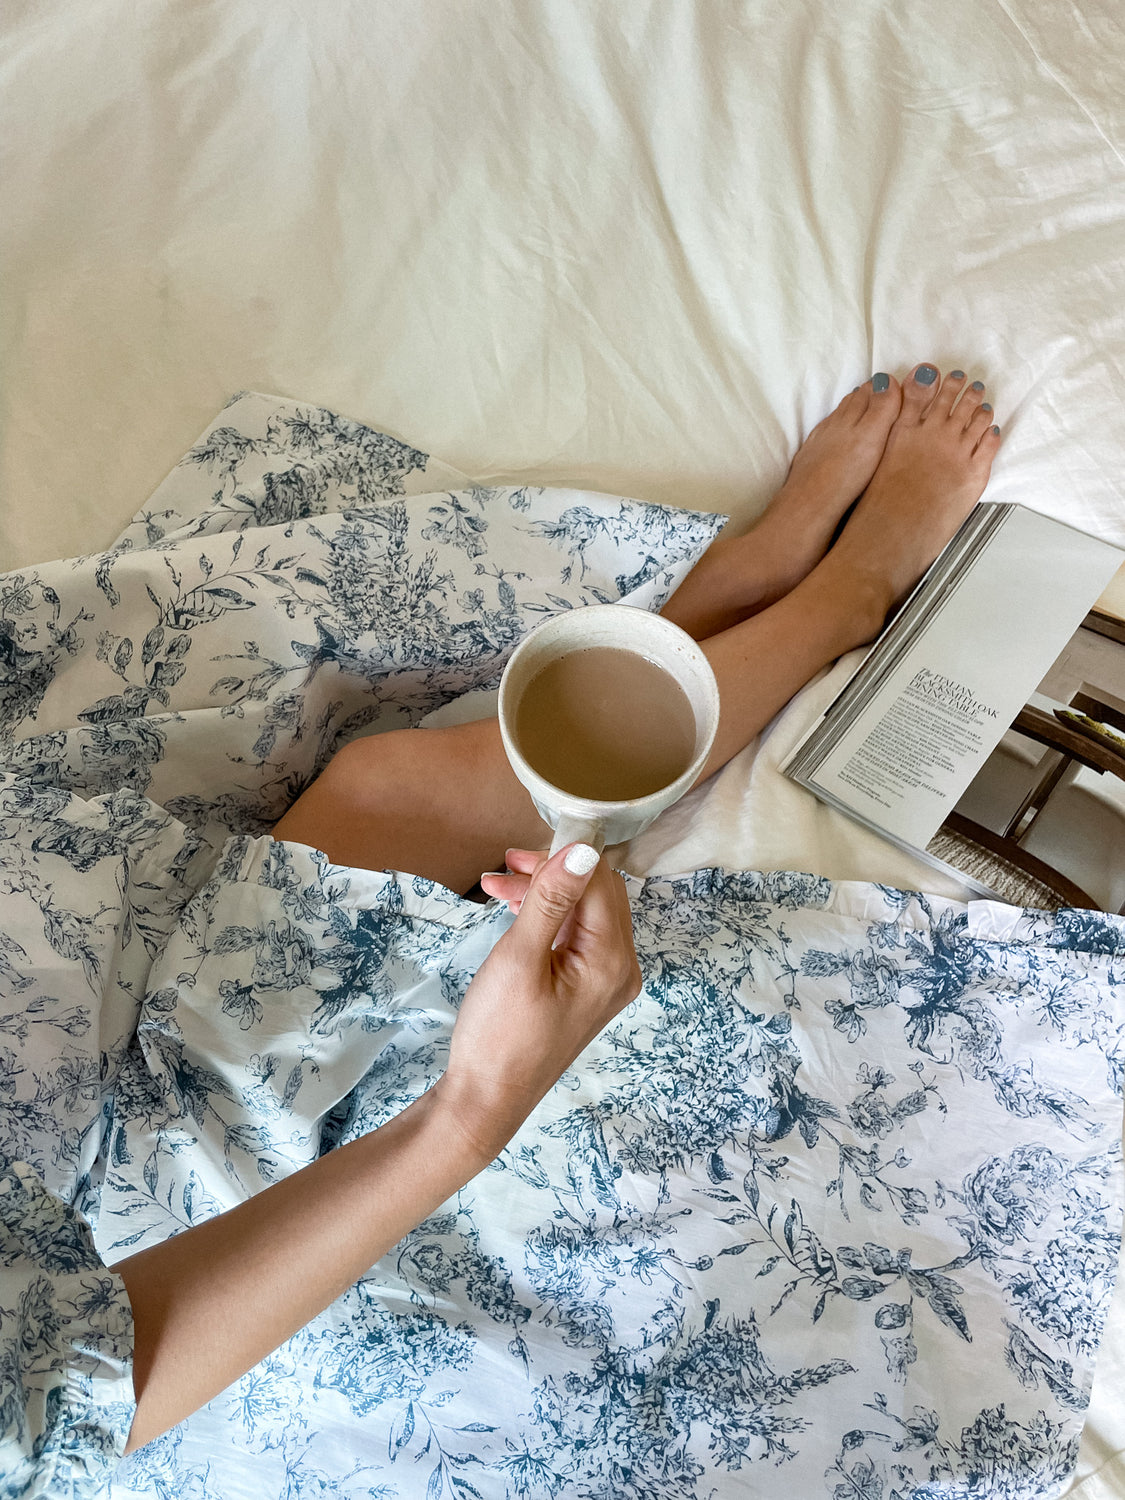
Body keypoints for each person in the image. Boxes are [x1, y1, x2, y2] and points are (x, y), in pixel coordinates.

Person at [1, 364, 1001, 1485]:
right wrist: (472, 1112)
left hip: (48, 971)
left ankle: (720, 597)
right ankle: (846, 596)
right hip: (121, 1224)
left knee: (357, 787)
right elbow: (79, 1386)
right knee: (384, 806)